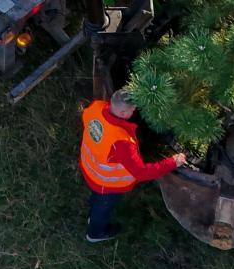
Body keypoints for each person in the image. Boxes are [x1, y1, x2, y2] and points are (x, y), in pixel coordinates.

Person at [79, 89, 188, 243]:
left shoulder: (96, 107)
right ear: (123, 112)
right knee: (103, 206)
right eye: (132, 109)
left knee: (96, 198)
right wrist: (173, 162)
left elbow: (87, 121)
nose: (134, 110)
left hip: (90, 166)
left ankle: (93, 214)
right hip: (106, 183)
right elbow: (142, 172)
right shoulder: (121, 142)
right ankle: (95, 233)